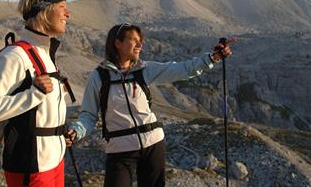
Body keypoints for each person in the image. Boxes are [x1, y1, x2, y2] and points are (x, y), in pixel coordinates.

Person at [68, 23, 234, 187]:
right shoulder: (98, 77)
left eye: (140, 40)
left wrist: (213, 58)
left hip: (153, 144)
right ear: (117, 43)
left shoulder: (144, 69)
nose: (140, 45)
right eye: (133, 40)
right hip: (120, 150)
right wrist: (76, 131)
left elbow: (182, 69)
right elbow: (88, 115)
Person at [0, 0, 72, 187]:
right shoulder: (15, 56)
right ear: (44, 9)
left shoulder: (45, 54)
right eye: (62, 7)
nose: (67, 14)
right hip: (31, 167)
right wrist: (33, 94)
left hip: (54, 162)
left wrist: (59, 133)